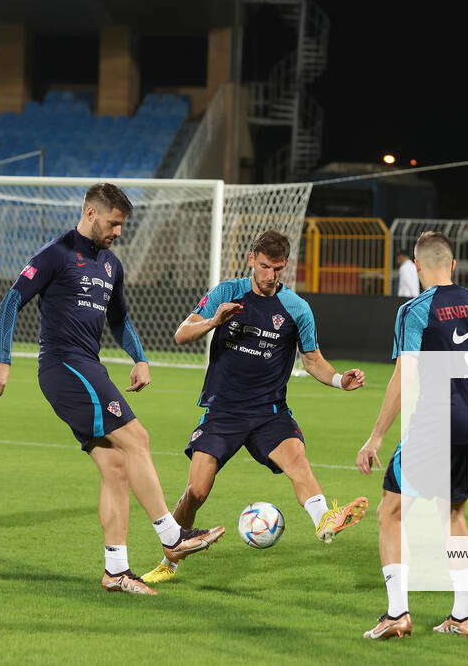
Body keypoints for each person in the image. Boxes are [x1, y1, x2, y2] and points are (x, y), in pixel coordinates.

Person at [0, 183, 224, 596]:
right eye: (113, 223)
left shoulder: (112, 266)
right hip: (63, 366)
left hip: (88, 366)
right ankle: (171, 535)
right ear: (90, 213)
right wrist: (4, 359)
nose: (117, 232)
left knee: (115, 467)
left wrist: (140, 357)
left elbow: (120, 319)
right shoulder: (56, 254)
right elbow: (11, 302)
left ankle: (116, 570)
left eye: (122, 226)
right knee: (138, 438)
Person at [141, 230, 369, 584]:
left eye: (277, 269)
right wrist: (214, 321)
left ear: (285, 266)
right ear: (252, 260)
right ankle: (168, 560)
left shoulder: (296, 308)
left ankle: (324, 519)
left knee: (298, 462)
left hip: (268, 411)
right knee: (197, 491)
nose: (269, 276)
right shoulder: (227, 293)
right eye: (264, 267)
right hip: (223, 410)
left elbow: (312, 360)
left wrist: (340, 380)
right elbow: (181, 334)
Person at [356, 231, 468, 639]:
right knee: (454, 513)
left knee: (390, 511)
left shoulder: (415, 310)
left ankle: (397, 614)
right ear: (453, 264)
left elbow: (404, 375)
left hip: (435, 421)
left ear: (418, 266)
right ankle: (463, 615)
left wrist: (375, 436)